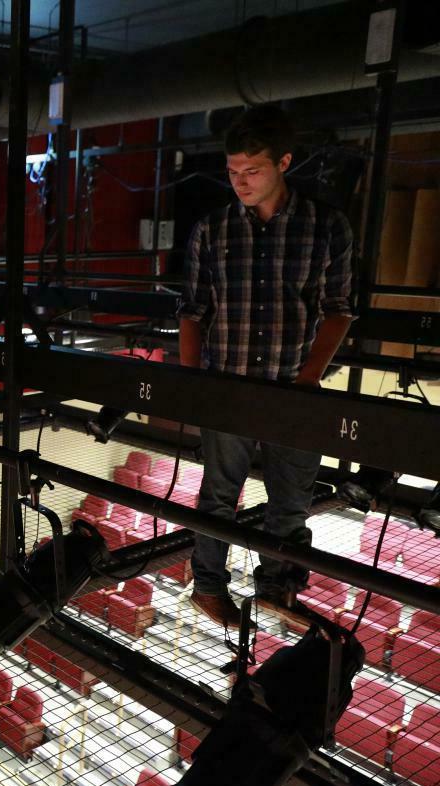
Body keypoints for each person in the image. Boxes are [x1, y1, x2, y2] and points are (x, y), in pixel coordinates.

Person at [178, 104, 355, 628]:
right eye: (233, 172)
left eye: (252, 171)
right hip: (229, 384)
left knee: (291, 501)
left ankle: (276, 591)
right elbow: (193, 310)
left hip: (293, 386)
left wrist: (306, 381)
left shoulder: (326, 226)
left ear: (284, 162)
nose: (240, 182)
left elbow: (339, 309)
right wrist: (194, 381)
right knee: (218, 494)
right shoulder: (212, 230)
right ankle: (209, 587)